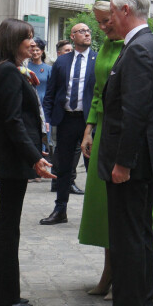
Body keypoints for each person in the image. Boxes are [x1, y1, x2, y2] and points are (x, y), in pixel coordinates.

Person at [80, 0, 153, 298]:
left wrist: (123, 162)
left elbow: (135, 112)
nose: (106, 26)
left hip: (128, 150)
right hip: (131, 147)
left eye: (109, 17)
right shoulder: (151, 45)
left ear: (123, 10)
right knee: (138, 230)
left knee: (130, 232)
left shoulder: (137, 49)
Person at [0, 18, 54, 306]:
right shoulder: (9, 72)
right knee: (8, 227)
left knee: (7, 225)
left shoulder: (10, 70)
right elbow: (13, 121)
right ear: (14, 41)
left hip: (11, 159)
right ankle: (2, 295)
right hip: (12, 160)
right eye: (28, 37)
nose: (33, 43)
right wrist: (35, 157)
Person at [41, 23, 97, 225]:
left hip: (89, 122)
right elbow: (51, 93)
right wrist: (47, 120)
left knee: (93, 168)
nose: (87, 33)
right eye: (82, 31)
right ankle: (60, 210)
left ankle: (94, 214)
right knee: (63, 167)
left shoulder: (97, 60)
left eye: (89, 31)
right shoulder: (62, 62)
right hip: (65, 120)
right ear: (72, 36)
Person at [49, 38, 84, 195]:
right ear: (59, 54)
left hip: (82, 116)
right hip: (62, 116)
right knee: (61, 150)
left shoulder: (87, 63)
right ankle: (59, 180)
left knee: (76, 150)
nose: (71, 53)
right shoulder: (59, 65)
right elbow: (52, 92)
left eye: (72, 50)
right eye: (67, 51)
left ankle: (68, 180)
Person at [27, 37, 51, 105]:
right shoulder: (26, 67)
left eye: (37, 50)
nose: (35, 52)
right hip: (29, 101)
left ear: (42, 51)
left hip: (44, 102)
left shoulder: (49, 69)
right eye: (33, 50)